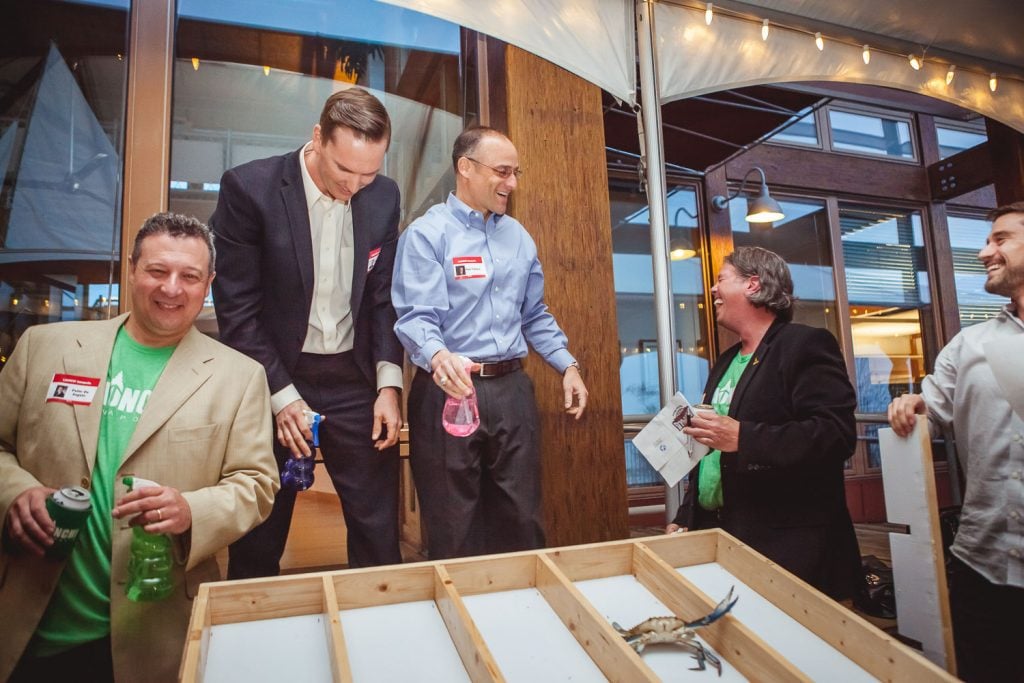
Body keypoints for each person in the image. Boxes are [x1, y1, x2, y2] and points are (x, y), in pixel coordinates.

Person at [0, 212, 278, 682]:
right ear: (132, 269)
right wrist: (14, 493)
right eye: (156, 271)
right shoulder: (44, 347)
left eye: (189, 276)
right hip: (30, 618)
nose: (171, 288)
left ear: (208, 283)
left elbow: (256, 484)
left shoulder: (238, 377)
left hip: (155, 634)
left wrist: (192, 510)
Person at [210, 88, 404, 575]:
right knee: (260, 530)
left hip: (354, 378)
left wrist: (388, 384)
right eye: (345, 170)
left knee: (377, 528)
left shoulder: (383, 198)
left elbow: (381, 299)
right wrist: (281, 395)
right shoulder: (249, 189)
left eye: (369, 172)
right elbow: (239, 309)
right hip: (274, 375)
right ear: (317, 138)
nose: (356, 185)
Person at [392, 126, 588, 560]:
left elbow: (534, 314)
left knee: (522, 518)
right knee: (451, 523)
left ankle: (524, 618)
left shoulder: (518, 237)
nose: (512, 184)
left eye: (515, 173)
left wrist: (567, 366)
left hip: (512, 390)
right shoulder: (428, 235)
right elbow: (416, 317)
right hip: (448, 390)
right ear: (465, 168)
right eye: (502, 172)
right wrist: (438, 356)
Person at [668, 246, 861, 601]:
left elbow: (836, 435)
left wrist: (745, 437)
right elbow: (710, 449)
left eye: (721, 280)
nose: (712, 290)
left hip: (788, 546)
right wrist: (687, 515)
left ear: (753, 285)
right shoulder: (726, 360)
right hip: (722, 532)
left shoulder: (804, 344)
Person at [888, 202, 1024, 683]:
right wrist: (909, 404)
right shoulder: (969, 346)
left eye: (1001, 239)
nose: (986, 250)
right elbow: (929, 407)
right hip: (982, 565)